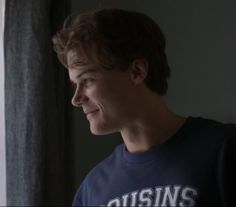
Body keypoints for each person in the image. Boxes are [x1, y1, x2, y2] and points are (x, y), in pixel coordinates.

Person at [52, 9, 236, 207]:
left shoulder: (224, 149)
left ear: (137, 71)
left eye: (87, 80)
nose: (76, 99)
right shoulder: (91, 190)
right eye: (75, 84)